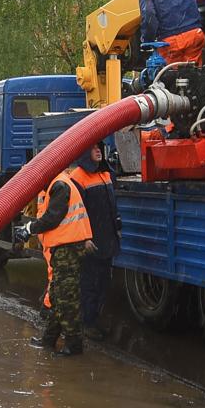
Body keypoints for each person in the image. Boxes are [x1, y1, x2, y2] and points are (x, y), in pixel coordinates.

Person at [17, 151, 100, 357]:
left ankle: (74, 345)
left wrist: (29, 229)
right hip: (63, 249)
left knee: (66, 299)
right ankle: (48, 340)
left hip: (68, 250)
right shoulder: (54, 184)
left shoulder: (59, 185)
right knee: (56, 297)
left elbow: (53, 218)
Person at [73, 143, 120, 338]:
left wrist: (117, 229)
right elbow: (77, 213)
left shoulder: (106, 174)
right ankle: (88, 323)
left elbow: (112, 207)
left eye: (99, 147)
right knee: (89, 284)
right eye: (93, 148)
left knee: (103, 283)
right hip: (90, 241)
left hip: (107, 239)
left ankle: (96, 320)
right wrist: (84, 239)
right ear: (84, 152)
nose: (98, 150)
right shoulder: (77, 177)